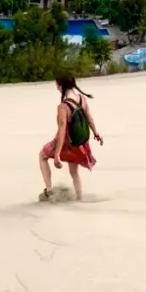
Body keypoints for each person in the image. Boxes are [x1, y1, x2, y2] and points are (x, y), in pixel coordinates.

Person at [39, 72, 103, 201]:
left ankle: (49, 189)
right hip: (78, 144)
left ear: (60, 85)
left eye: (56, 84)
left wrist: (57, 154)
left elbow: (62, 129)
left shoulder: (63, 107)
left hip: (66, 142)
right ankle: (80, 198)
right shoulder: (81, 99)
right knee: (74, 172)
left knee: (42, 156)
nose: (56, 86)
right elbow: (89, 118)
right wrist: (96, 133)